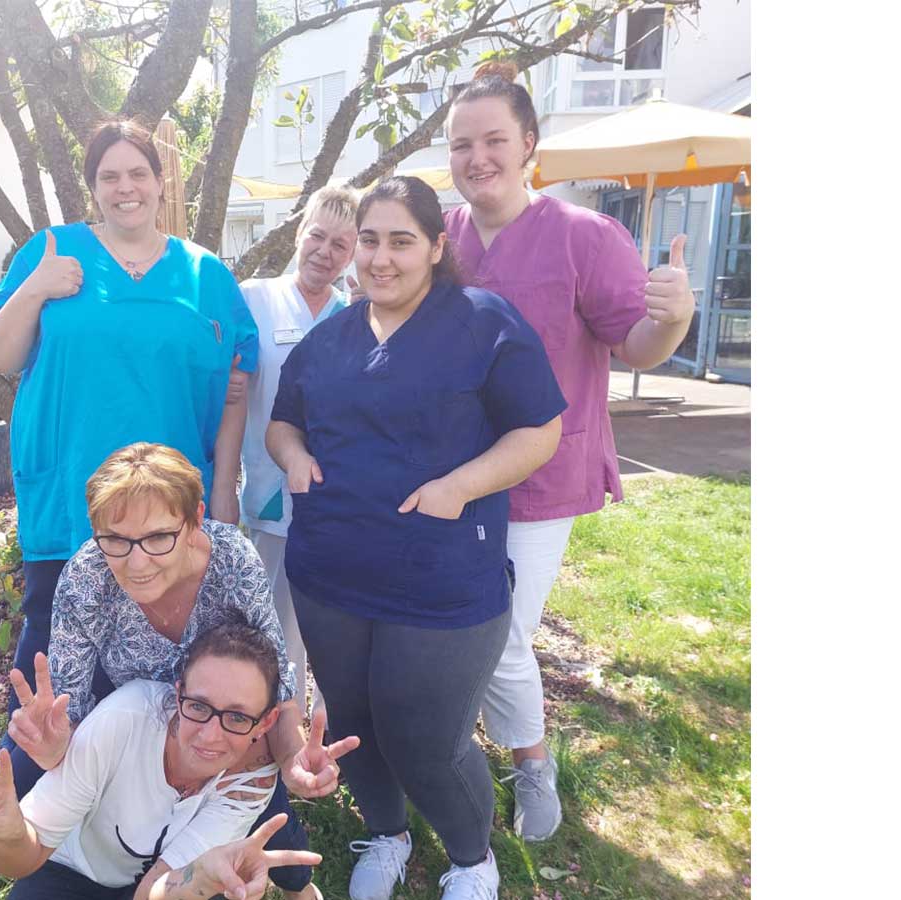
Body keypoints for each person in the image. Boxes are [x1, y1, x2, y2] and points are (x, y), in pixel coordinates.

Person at [266, 176, 566, 900]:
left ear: (437, 246)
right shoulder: (329, 338)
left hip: (442, 575)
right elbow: (284, 421)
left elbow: (541, 430)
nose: (380, 258)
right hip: (331, 571)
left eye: (401, 241)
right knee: (357, 722)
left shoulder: (483, 323)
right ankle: (387, 832)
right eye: (369, 240)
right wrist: (293, 457)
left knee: (425, 738)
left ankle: (471, 860)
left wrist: (459, 487)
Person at [442, 62, 696, 842]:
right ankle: (451, 750)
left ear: (529, 145)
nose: (477, 157)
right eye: (461, 144)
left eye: (493, 140)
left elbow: (638, 344)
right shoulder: (440, 234)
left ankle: (531, 760)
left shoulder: (587, 236)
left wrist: (677, 317)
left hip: (543, 478)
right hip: (445, 474)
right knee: (450, 624)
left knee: (499, 633)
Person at [0, 119, 258, 755]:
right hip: (72, 496)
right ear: (93, 186)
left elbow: (239, 378)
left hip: (171, 512)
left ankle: (155, 804)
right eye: (109, 176)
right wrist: (37, 289)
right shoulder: (52, 251)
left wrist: (227, 485)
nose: (125, 188)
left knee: (169, 660)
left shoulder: (205, 274)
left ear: (160, 183)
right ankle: (34, 797)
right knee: (52, 656)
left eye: (138, 174)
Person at [7, 442, 358, 900]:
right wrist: (56, 747)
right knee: (26, 800)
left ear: (194, 519)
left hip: (230, 723)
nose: (136, 563)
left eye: (158, 538)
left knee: (260, 791)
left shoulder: (233, 561)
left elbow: (275, 685)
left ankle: (298, 885)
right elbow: (71, 705)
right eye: (115, 539)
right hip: (138, 724)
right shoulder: (85, 580)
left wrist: (292, 757)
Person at [0, 620, 323, 900]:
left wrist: (200, 878)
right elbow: (20, 861)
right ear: (178, 694)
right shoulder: (124, 720)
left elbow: (153, 891)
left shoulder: (251, 779)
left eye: (238, 717)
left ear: (268, 721)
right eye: (198, 706)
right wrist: (9, 835)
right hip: (69, 872)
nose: (210, 735)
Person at [238, 185, 360, 717]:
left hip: (341, 503)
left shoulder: (358, 314)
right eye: (316, 235)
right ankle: (277, 737)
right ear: (299, 232)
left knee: (336, 625)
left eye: (340, 244)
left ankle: (330, 735)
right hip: (269, 493)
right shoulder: (254, 297)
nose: (324, 252)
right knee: (273, 625)